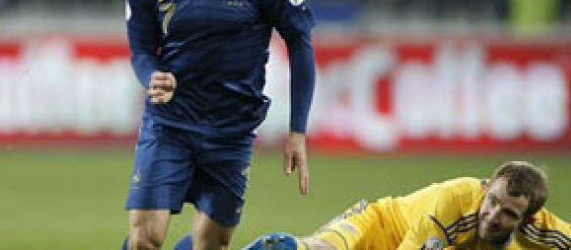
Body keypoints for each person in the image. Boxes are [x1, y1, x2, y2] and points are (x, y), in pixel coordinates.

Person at [123, 0, 317, 250]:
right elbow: (141, 50)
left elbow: (300, 41)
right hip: (170, 124)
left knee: (210, 245)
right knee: (146, 237)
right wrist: (152, 77)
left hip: (231, 132)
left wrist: (298, 131)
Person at [241, 160, 571, 250]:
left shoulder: (545, 232)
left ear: (528, 220)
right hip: (377, 225)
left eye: (508, 213)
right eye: (492, 202)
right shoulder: (454, 202)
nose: (493, 216)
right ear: (486, 188)